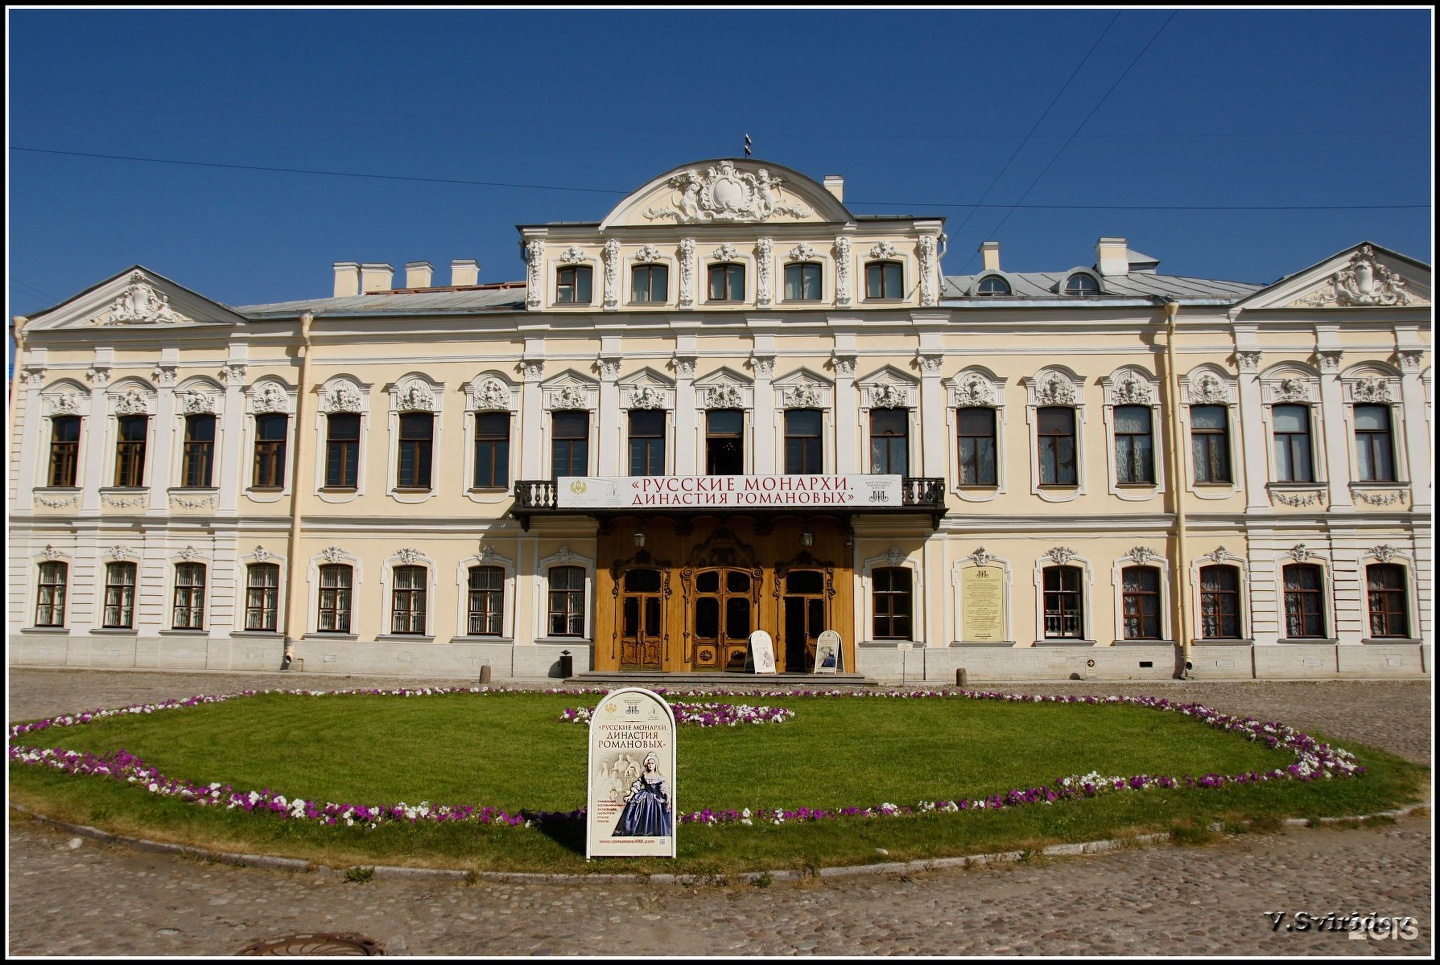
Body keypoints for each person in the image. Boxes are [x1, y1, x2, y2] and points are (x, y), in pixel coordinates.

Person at [612, 753, 673, 837]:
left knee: (655, 814)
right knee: (634, 808)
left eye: (652, 763)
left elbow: (664, 788)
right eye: (649, 763)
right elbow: (637, 784)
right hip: (644, 797)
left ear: (655, 765)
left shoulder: (659, 777)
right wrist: (630, 796)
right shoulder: (645, 775)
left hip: (655, 798)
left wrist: (668, 798)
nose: (650, 765)